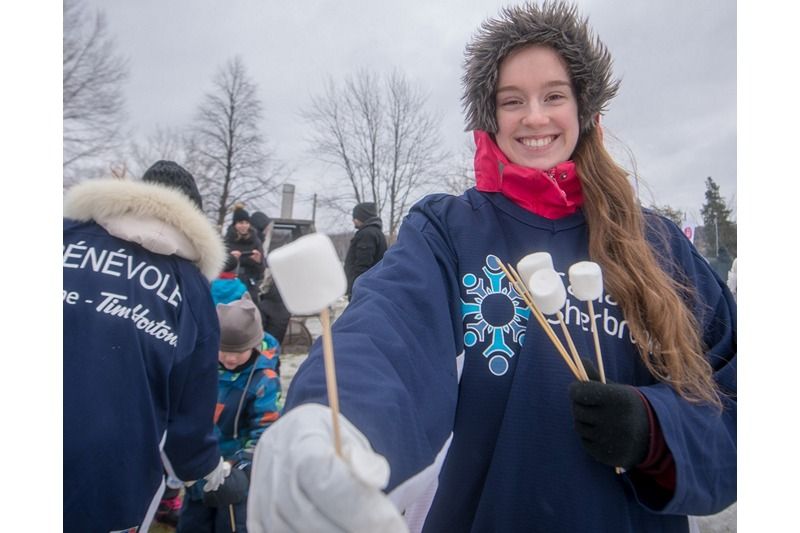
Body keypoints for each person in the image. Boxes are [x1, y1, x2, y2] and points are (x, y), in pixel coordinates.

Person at [247, 2, 736, 532]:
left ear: (584, 110)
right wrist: (328, 424)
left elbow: (739, 391)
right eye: (512, 101)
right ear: (490, 118)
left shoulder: (657, 245)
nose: (534, 116)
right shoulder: (451, 230)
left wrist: (656, 432)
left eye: (554, 96)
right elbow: (387, 332)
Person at [64, 160, 248, 533]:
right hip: (105, 476)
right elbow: (187, 415)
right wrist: (208, 473)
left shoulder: (63, 238)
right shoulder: (190, 290)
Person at [178, 295, 281, 533]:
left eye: (240, 351)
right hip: (202, 466)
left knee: (232, 524)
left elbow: (266, 429)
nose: (231, 357)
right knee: (193, 522)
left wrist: (241, 465)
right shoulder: (202, 368)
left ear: (254, 346)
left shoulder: (263, 380)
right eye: (223, 350)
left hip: (235, 473)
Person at [250, 210, 292, 343]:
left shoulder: (261, 246)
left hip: (270, 302)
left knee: (266, 343)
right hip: (270, 303)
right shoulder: (256, 245)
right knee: (268, 343)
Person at [344, 201, 388, 297]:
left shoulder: (367, 234)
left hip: (361, 290)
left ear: (363, 217)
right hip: (370, 289)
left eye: (355, 217)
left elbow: (362, 265)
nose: (353, 220)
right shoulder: (376, 233)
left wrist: (356, 289)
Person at [224, 206, 265, 301]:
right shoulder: (227, 241)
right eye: (240, 223)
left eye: (246, 223)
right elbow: (220, 266)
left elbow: (261, 271)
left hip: (250, 283)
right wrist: (232, 260)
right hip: (231, 283)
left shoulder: (255, 241)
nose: (244, 226)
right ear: (235, 224)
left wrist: (258, 261)